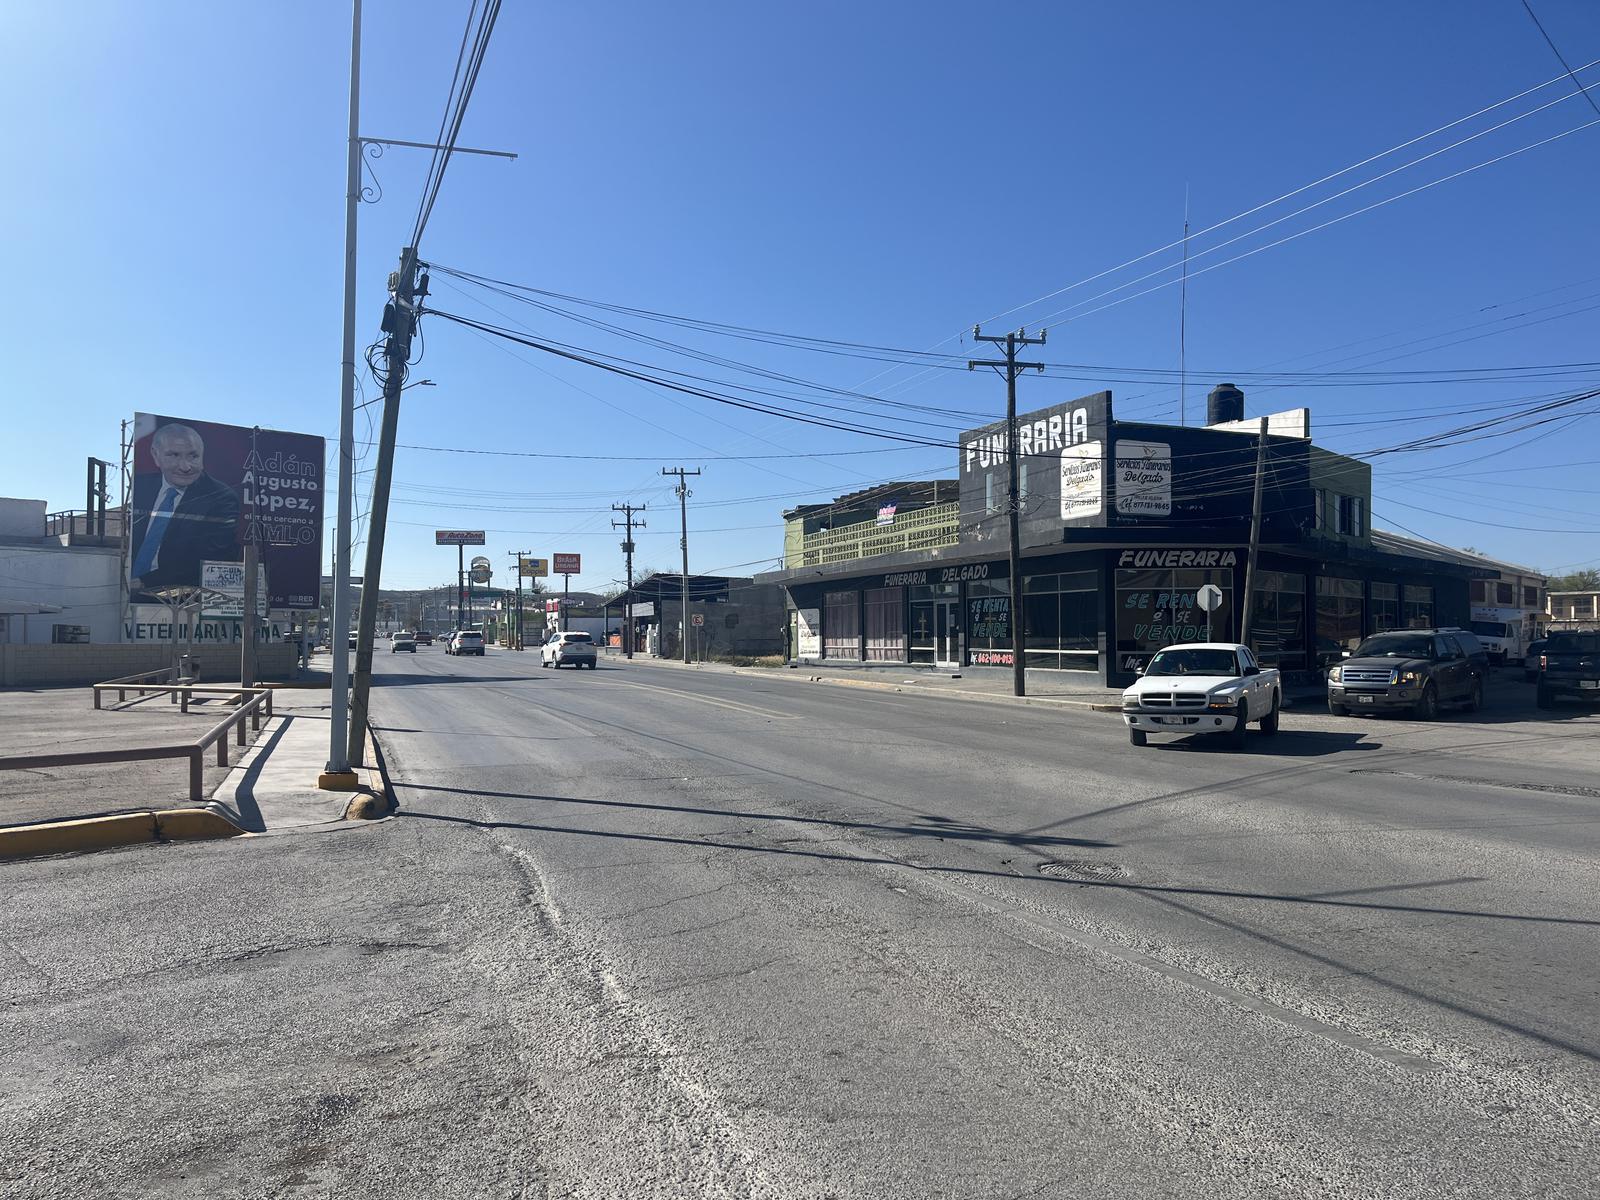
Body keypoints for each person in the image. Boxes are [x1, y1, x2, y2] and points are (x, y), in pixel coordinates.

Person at [129, 422, 240, 598]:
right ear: (155, 455)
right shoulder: (141, 486)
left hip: (180, 598)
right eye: (174, 455)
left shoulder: (221, 498)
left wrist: (143, 582)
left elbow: (205, 561)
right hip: (123, 593)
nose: (185, 466)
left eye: (193, 456)